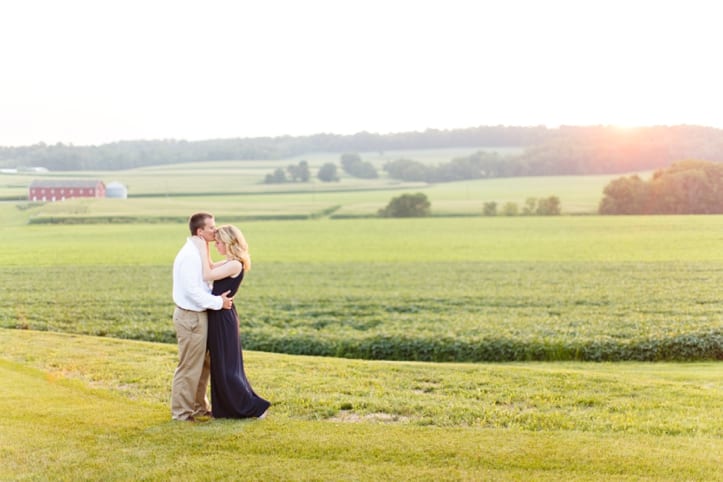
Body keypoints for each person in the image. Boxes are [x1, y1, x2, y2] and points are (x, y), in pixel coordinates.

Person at [191, 224, 270, 419]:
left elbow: (206, 274)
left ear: (228, 242)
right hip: (219, 314)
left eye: (218, 242)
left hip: (223, 318)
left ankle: (253, 407)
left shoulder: (235, 264)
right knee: (221, 364)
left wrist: (202, 249)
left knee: (227, 366)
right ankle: (226, 409)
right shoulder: (229, 262)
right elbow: (209, 266)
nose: (216, 245)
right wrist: (206, 248)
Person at [171, 212, 234, 422]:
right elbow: (192, 291)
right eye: (211, 228)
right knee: (189, 365)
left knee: (203, 364)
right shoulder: (190, 255)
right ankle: (181, 413)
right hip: (191, 317)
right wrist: (219, 303)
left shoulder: (198, 250)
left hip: (200, 316)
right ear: (200, 231)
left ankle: (199, 407)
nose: (215, 231)